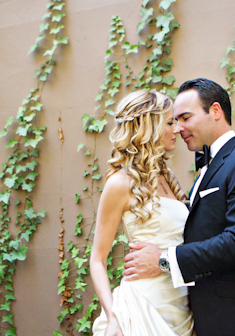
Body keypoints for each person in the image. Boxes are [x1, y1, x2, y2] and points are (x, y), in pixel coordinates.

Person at [123, 78, 235, 336]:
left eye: (185, 117)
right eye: (174, 121)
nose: (178, 128)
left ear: (215, 111)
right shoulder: (203, 171)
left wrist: (164, 259)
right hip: (201, 319)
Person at [90, 90, 195, 336]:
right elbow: (97, 260)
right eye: (170, 122)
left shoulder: (167, 177)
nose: (178, 129)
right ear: (149, 126)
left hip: (181, 308)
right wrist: (112, 317)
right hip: (141, 311)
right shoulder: (120, 183)